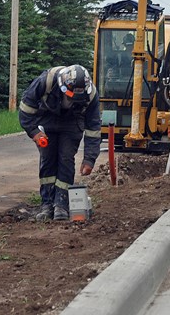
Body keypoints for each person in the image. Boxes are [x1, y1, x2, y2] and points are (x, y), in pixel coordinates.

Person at [19, 65, 102, 221]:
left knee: (66, 159)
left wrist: (89, 159)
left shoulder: (91, 95)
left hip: (72, 123)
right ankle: (47, 204)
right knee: (48, 160)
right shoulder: (45, 81)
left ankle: (62, 204)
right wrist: (34, 132)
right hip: (47, 118)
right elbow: (25, 110)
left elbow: (93, 129)